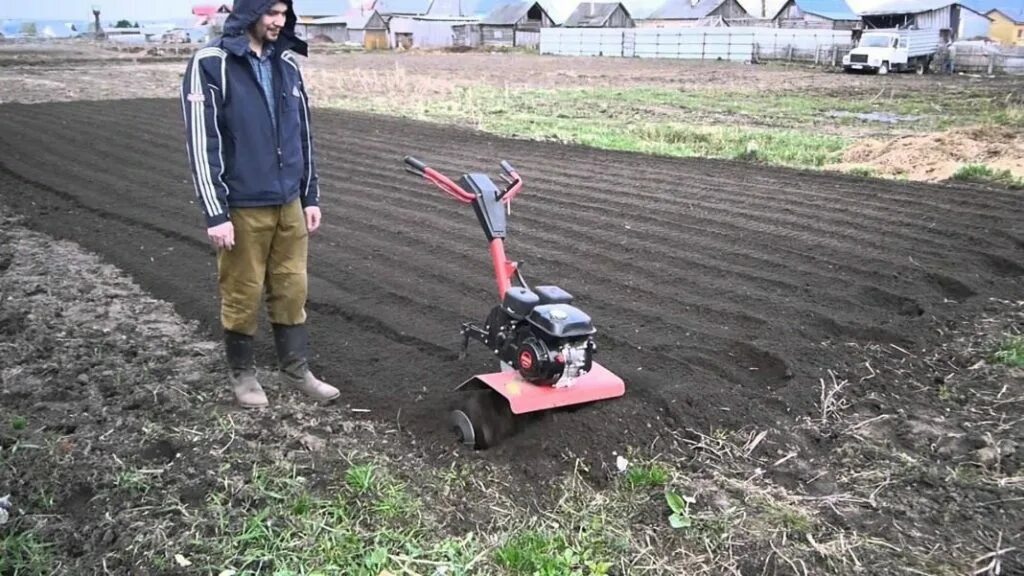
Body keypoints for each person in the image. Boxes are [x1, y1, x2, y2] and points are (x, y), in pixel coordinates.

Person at [180, 0, 339, 408]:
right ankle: (243, 374)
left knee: (292, 286)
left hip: (288, 200)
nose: (278, 21)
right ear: (249, 12)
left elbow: (303, 133)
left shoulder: (286, 63)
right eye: (270, 12)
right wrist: (216, 212)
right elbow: (203, 142)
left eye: (284, 13)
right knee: (243, 289)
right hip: (242, 203)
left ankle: (296, 369)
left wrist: (310, 194)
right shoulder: (211, 63)